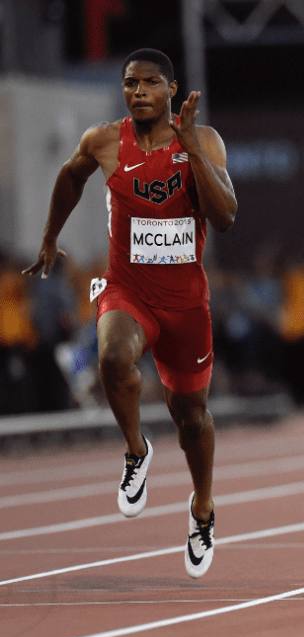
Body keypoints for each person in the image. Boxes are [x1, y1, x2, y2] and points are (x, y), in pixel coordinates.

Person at [23, 49, 237, 577]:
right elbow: (71, 178)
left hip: (187, 304)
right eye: (129, 83)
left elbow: (226, 216)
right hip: (128, 290)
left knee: (191, 418)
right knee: (114, 357)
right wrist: (50, 237)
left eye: (148, 83)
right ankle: (136, 451)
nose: (137, 91)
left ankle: (203, 508)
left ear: (170, 89)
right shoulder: (103, 141)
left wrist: (189, 146)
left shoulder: (203, 141)